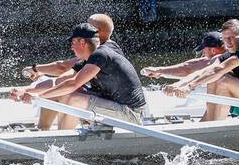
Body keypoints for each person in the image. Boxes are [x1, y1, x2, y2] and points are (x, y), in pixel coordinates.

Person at [12, 23, 146, 128]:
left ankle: (63, 143)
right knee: (59, 92)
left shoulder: (101, 55)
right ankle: (45, 132)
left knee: (75, 99)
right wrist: (26, 90)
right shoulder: (88, 60)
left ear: (82, 42)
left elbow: (73, 83)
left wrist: (38, 96)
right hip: (115, 104)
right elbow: (58, 82)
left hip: (131, 113)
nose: (71, 48)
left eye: (73, 43)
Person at [140, 32, 227, 121]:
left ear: (213, 50)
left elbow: (198, 71)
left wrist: (179, 85)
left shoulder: (221, 60)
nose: (203, 52)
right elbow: (189, 66)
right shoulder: (221, 57)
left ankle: (206, 125)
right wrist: (159, 71)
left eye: (204, 49)